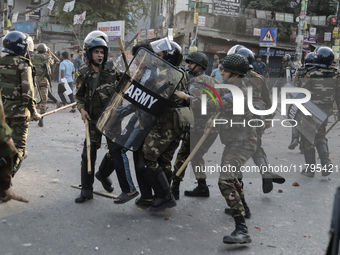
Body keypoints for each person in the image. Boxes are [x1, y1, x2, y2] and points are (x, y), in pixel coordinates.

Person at [175, 53, 255, 244]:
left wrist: (186, 97)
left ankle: (242, 229)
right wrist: (215, 118)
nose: (221, 71)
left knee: (225, 180)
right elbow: (221, 108)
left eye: (225, 70)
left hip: (243, 143)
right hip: (234, 141)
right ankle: (244, 207)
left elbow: (209, 105)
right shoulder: (233, 88)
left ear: (235, 75)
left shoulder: (238, 93)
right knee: (231, 178)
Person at [75, 30, 134, 203]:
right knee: (88, 153)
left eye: (102, 52)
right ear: (89, 53)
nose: (99, 55)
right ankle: (86, 190)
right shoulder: (83, 72)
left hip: (112, 119)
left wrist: (129, 79)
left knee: (115, 152)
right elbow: (78, 96)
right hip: (92, 120)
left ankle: (103, 173)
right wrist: (81, 109)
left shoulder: (112, 68)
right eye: (96, 51)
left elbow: (125, 84)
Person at [136, 37, 189, 211]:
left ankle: (165, 195)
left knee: (149, 156)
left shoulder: (167, 73)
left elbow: (155, 94)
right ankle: (164, 195)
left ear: (169, 56)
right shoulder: (180, 72)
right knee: (164, 160)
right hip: (178, 122)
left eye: (160, 55)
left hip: (166, 122)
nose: (157, 58)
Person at [171, 51, 219, 200]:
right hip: (210, 126)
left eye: (191, 64)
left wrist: (184, 97)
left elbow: (199, 104)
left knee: (183, 155)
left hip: (200, 126)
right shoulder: (211, 80)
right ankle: (202, 186)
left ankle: (174, 188)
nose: (188, 66)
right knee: (196, 155)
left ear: (199, 66)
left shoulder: (199, 81)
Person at [0, 31, 41, 177]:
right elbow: (27, 94)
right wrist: (34, 112)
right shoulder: (23, 64)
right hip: (19, 115)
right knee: (19, 149)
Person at [300, 46, 340, 178]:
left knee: (307, 138)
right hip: (325, 112)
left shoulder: (311, 74)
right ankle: (326, 162)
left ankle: (310, 169)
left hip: (310, 111)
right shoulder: (336, 75)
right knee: (321, 136)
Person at [288, 52, 315, 151]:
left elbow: (295, 84)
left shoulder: (300, 70)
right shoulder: (315, 72)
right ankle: (304, 145)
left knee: (296, 119)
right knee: (307, 122)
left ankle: (294, 139)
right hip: (312, 101)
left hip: (299, 98)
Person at [31, 43, 55, 127]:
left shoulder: (33, 57)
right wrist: (48, 53)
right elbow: (52, 62)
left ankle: (32, 114)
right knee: (44, 100)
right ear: (45, 50)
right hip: (44, 80)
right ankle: (41, 118)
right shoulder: (47, 57)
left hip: (34, 80)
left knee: (33, 98)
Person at [0, 91, 18, 202]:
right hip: (19, 112)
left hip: (9, 110)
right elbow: (3, 140)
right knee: (20, 149)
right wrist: (5, 183)